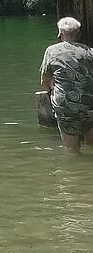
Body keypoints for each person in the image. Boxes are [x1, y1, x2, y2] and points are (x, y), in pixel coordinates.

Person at [40, 15, 93, 152]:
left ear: (60, 34)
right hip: (89, 103)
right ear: (79, 34)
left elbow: (45, 80)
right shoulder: (90, 52)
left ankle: (74, 161)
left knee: (71, 149)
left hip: (66, 104)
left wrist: (50, 91)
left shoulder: (51, 51)